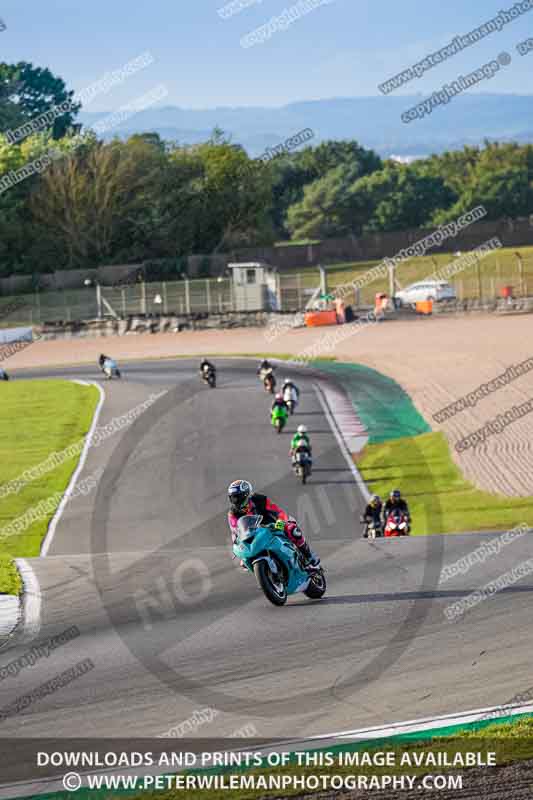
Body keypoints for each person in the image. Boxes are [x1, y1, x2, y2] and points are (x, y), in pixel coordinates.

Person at [227, 479, 319, 568]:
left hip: (273, 526)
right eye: (233, 497)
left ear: (246, 495)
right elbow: (235, 532)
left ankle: (309, 555)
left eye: (238, 497)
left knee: (292, 530)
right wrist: (239, 546)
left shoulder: (260, 499)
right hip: (253, 535)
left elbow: (278, 512)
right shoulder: (232, 513)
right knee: (244, 561)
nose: (236, 500)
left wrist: (281, 522)